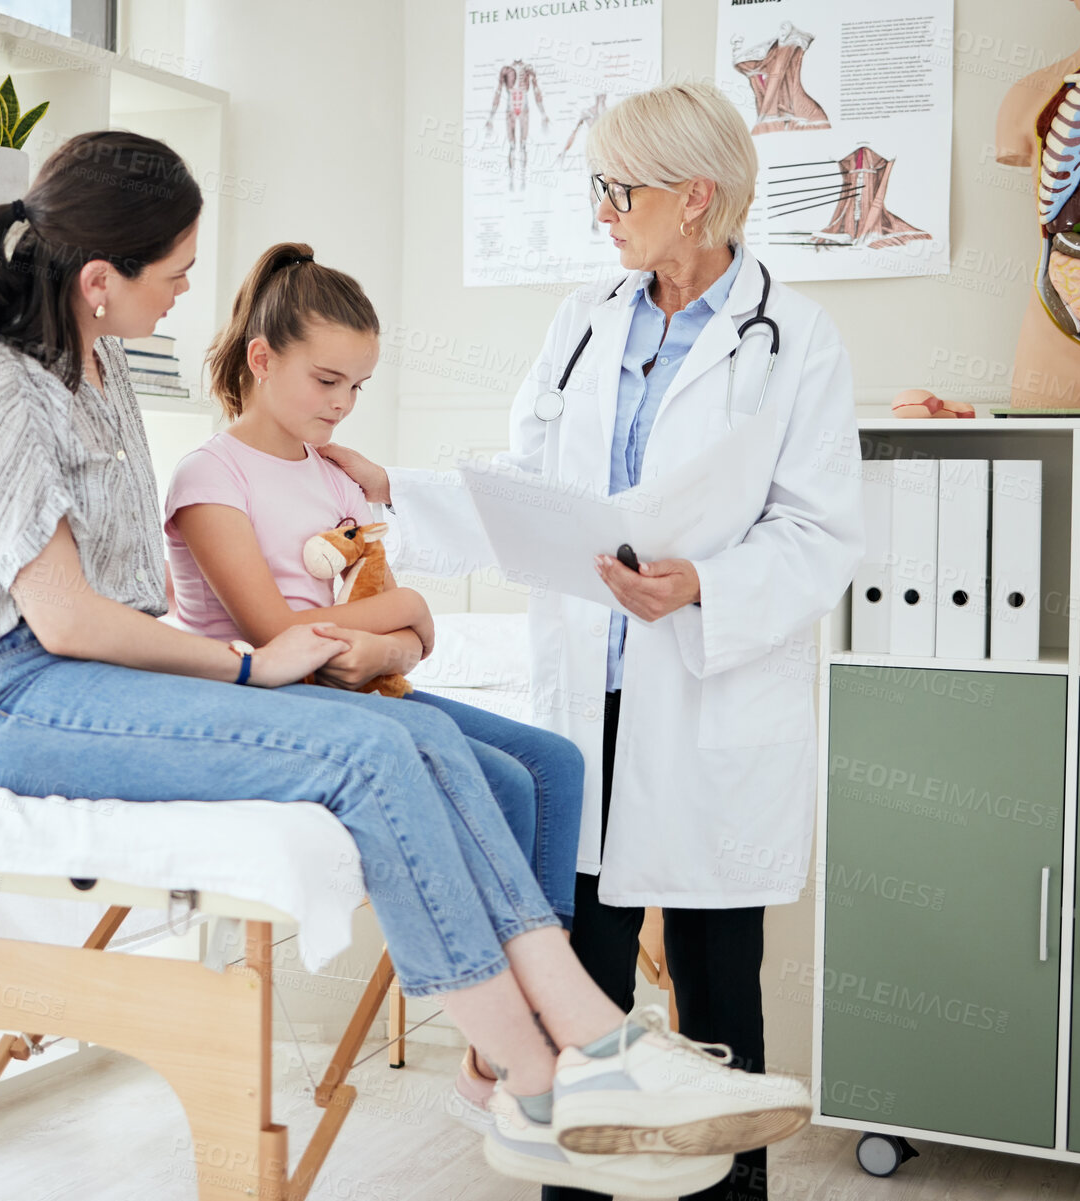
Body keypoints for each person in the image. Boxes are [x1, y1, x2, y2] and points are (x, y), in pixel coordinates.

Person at [0, 128, 813, 1197]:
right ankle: (545, 1070)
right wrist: (245, 668)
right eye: (176, 272)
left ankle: (564, 1054)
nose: (191, 292)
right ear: (99, 281)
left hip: (94, 676)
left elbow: (139, 612)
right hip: (4, 691)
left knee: (429, 736)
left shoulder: (94, 371)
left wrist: (312, 646)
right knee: (373, 751)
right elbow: (65, 620)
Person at [323, 83, 864, 1201]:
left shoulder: (794, 341)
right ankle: (578, 1186)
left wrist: (704, 583)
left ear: (694, 197)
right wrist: (400, 491)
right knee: (580, 963)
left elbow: (818, 532)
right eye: (596, 188)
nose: (600, 212)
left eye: (618, 189)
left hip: (707, 686)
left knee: (718, 984)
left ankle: (725, 1191)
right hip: (586, 692)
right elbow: (529, 486)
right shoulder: (583, 318)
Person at [160, 240, 585, 1124]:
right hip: (267, 699)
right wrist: (414, 615)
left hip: (352, 686)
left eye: (357, 386)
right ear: (262, 358)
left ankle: (495, 1051)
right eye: (326, 381)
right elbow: (274, 634)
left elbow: (370, 611)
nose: (344, 404)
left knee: (556, 763)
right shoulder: (210, 477)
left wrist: (401, 638)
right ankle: (529, 1047)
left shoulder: (332, 471)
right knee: (503, 781)